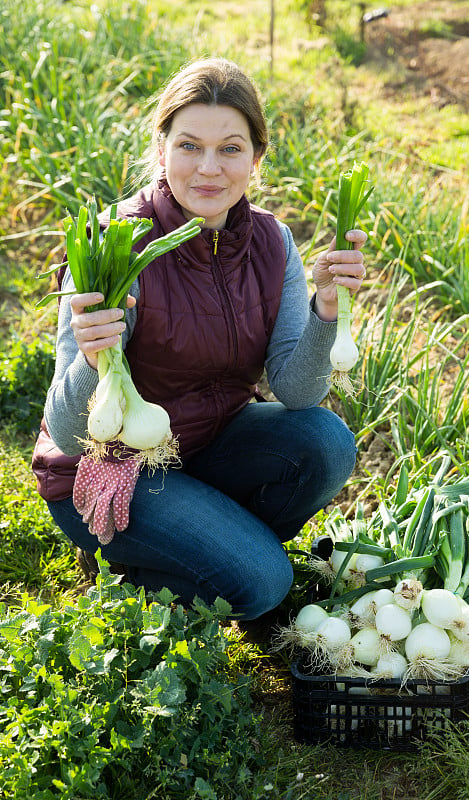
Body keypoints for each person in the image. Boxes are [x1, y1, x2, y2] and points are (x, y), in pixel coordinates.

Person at [32, 57, 366, 622]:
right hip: (114, 467)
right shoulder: (115, 247)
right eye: (189, 145)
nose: (209, 169)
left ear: (256, 159)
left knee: (326, 442)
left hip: (206, 445)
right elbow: (67, 435)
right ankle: (131, 570)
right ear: (161, 148)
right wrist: (92, 358)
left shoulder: (272, 242)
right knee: (264, 582)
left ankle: (213, 546)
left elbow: (298, 391)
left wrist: (326, 312)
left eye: (231, 149)